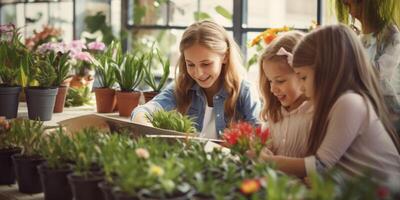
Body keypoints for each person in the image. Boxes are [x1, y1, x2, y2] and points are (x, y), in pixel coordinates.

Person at [257, 24, 400, 185]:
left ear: (324, 70)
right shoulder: (337, 104)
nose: (302, 87)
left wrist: (268, 160)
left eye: (303, 77)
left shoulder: (349, 103)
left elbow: (320, 165)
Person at [131, 20, 260, 139]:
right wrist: (147, 127)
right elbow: (142, 111)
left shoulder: (245, 92)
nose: (198, 73)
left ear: (225, 57)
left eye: (206, 64)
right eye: (190, 64)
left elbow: (259, 137)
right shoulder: (182, 87)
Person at [334, 0, 400, 130]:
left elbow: (378, 76)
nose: (348, 11)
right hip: (367, 114)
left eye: (348, 5)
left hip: (388, 119)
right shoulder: (359, 37)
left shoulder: (391, 36)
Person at [258, 31, 313, 157]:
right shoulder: (275, 114)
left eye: (280, 81)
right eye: (270, 81)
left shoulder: (314, 114)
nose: (272, 89)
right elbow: (262, 148)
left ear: (302, 74)